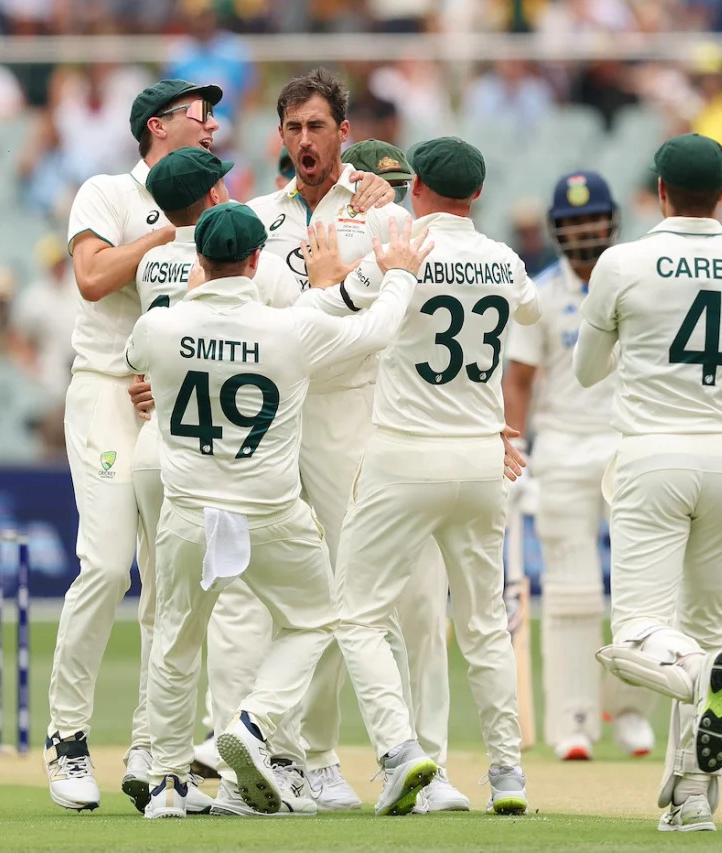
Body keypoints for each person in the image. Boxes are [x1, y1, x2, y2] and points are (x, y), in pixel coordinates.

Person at [125, 202, 429, 818]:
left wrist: (185, 303)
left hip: (187, 511)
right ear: (257, 260)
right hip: (269, 512)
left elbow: (136, 361)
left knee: (176, 643)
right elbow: (374, 333)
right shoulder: (287, 328)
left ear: (200, 262)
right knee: (316, 619)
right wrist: (397, 274)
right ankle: (255, 723)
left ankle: (164, 783)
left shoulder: (161, 325)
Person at [572, 133, 722, 832]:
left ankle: (699, 672)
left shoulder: (622, 261)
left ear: (659, 191)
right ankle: (693, 799)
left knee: (640, 631)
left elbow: (585, 371)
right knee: (705, 620)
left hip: (653, 457)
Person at [203, 67, 401, 812]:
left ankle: (326, 760)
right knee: (255, 595)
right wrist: (327, 310)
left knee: (349, 592)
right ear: (278, 134)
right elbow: (246, 324)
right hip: (274, 425)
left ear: (344, 133)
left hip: (348, 419)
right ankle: (269, 757)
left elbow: (374, 334)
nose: (305, 141)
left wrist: (318, 318)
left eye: (318, 127)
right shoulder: (258, 218)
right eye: (293, 129)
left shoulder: (380, 213)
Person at [324, 137, 538, 815]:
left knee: (355, 613)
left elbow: (341, 303)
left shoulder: (406, 246)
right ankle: (507, 775)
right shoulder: (504, 259)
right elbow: (530, 311)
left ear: (416, 186)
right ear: (476, 196)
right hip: (480, 457)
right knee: (480, 625)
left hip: (405, 452)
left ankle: (400, 752)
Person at [47, 77, 223, 814]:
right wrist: (158, 235)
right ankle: (67, 737)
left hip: (174, 406)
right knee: (107, 562)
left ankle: (157, 750)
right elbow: (90, 279)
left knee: (173, 581)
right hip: (104, 394)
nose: (211, 126)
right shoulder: (107, 192)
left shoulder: (217, 204)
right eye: (198, 114)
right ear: (158, 126)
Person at [127, 146, 298, 816]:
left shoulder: (147, 259)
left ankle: (157, 766)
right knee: (232, 611)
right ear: (213, 194)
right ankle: (234, 744)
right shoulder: (241, 262)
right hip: (224, 458)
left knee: (164, 618)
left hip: (159, 442)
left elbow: (135, 353)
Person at [502, 170, 657, 762]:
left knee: (641, 594)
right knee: (572, 593)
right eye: (572, 224)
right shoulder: (538, 295)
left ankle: (632, 711)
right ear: (558, 232)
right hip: (563, 448)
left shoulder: (638, 283)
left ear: (612, 220)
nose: (585, 231)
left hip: (629, 446)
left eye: (592, 219)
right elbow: (518, 381)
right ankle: (573, 720)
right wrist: (518, 454)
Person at [334, 136, 467, 812]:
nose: (387, 194)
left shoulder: (423, 245)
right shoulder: (339, 232)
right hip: (344, 445)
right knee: (348, 616)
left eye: (398, 185)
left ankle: (429, 763)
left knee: (420, 614)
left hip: (403, 448)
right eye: (377, 182)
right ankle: (333, 757)